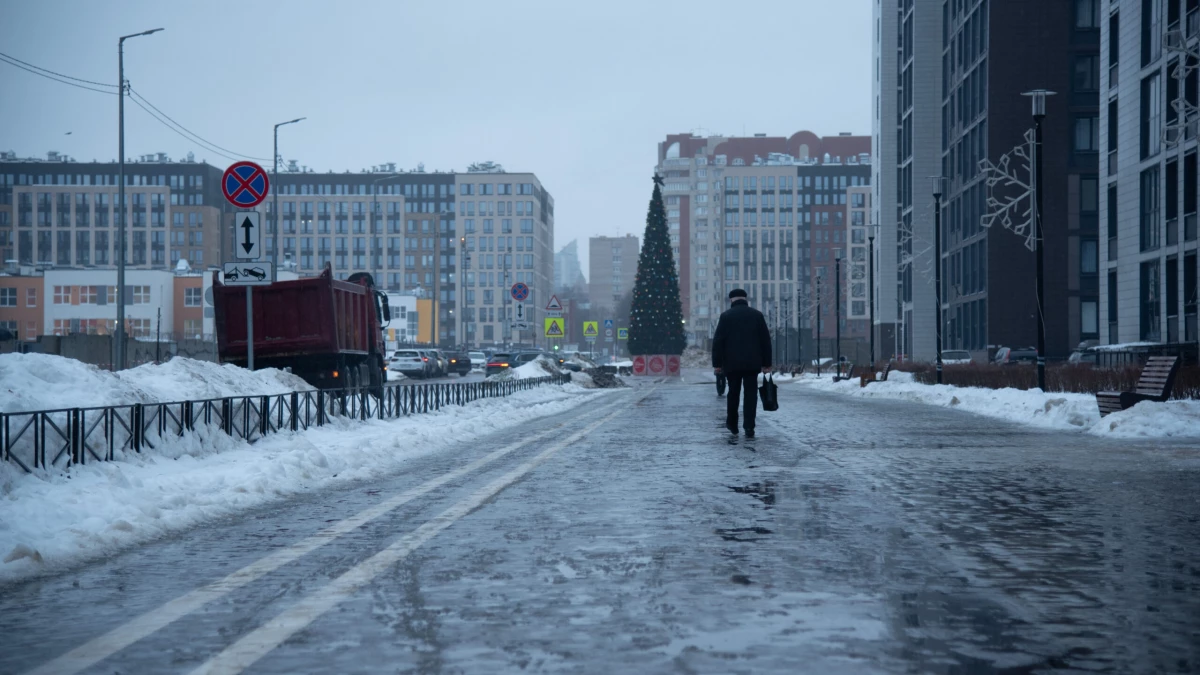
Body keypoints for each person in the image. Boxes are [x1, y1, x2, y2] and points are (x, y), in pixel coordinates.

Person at [711, 288, 772, 438]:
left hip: (731, 365)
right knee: (751, 394)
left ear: (732, 300)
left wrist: (717, 363)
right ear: (745, 299)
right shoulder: (757, 315)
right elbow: (765, 341)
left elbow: (718, 341)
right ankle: (749, 426)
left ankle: (732, 424)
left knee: (733, 393)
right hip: (752, 364)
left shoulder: (726, 316)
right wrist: (767, 363)